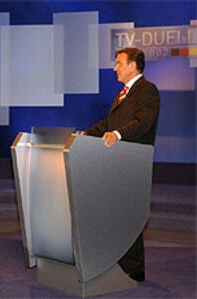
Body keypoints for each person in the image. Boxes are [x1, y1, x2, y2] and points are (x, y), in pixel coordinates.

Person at [84, 47, 160, 282]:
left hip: (132, 161)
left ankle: (133, 269)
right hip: (116, 162)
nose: (114, 67)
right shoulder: (122, 93)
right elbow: (108, 123)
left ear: (132, 66)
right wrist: (85, 134)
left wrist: (118, 134)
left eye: (118, 63)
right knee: (116, 214)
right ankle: (117, 262)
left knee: (128, 215)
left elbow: (143, 122)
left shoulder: (147, 90)